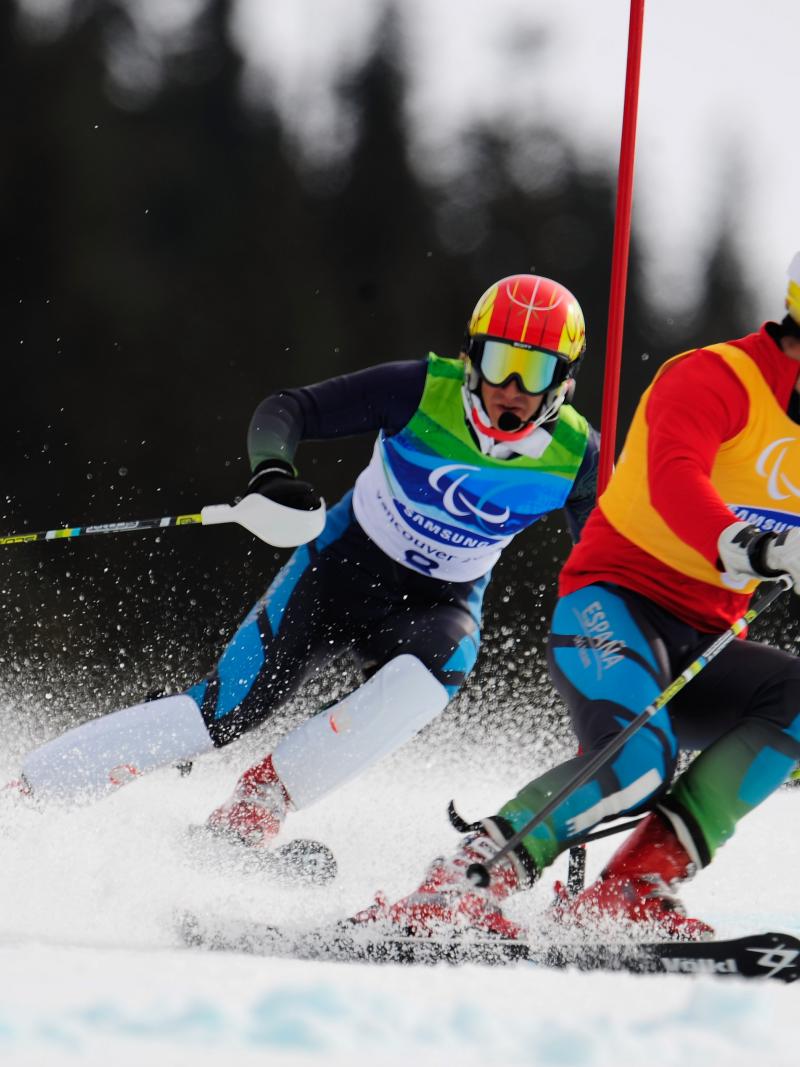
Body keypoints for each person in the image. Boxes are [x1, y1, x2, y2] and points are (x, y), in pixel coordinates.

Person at [10, 274, 599, 857]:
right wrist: (272, 474)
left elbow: (608, 562)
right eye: (499, 361)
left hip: (438, 606)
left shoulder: (577, 458)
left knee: (432, 679)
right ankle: (26, 797)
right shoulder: (421, 391)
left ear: (564, 384)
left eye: (537, 370)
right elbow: (287, 410)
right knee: (221, 712)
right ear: (471, 357)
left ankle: (254, 810)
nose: (513, 387)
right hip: (340, 571)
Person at [357, 252, 800, 944]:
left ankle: (631, 888)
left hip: (707, 644)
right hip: (613, 606)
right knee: (639, 762)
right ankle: (463, 884)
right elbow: (674, 479)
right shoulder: (716, 378)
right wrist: (758, 547)